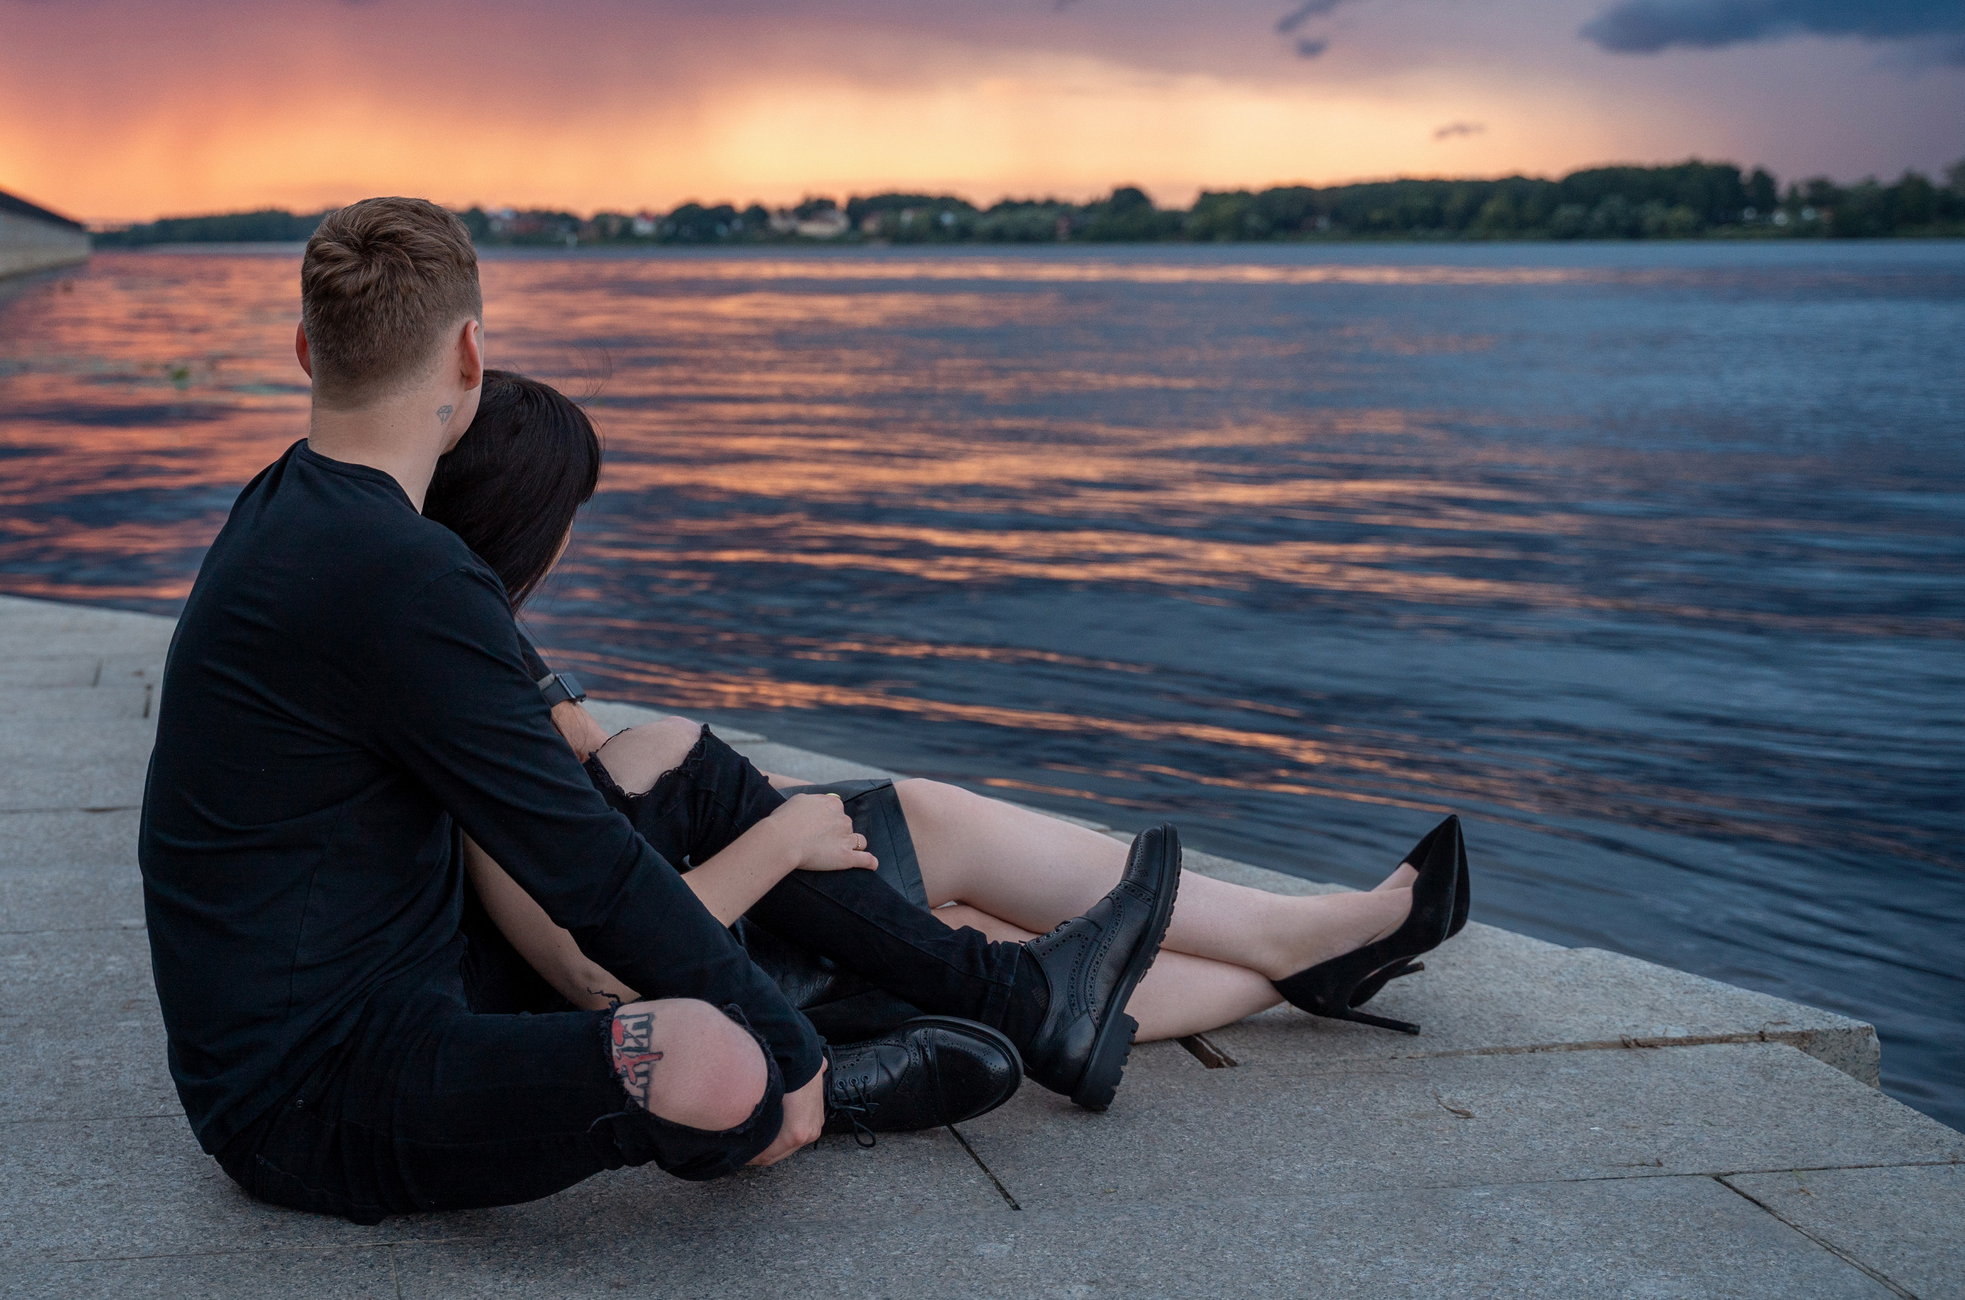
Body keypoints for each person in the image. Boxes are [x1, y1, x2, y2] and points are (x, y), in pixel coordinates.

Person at [139, 198, 1183, 1227]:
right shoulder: (397, 571)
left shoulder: (289, 506)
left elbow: (499, 734)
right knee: (710, 1059)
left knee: (680, 774)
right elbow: (583, 868)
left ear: (303, 351)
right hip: (316, 1095)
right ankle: (830, 1080)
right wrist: (781, 1040)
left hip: (417, 971)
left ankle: (1012, 1003)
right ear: (469, 354)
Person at [422, 367, 1472, 1051]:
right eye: (572, 515)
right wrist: (781, 837)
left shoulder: (459, 630)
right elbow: (590, 963)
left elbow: (591, 772)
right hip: (665, 959)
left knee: (939, 877)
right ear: (533, 523)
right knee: (942, 867)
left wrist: (770, 803)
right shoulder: (464, 690)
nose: (573, 541)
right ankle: (1307, 947)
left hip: (674, 899)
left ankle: (1310, 951)